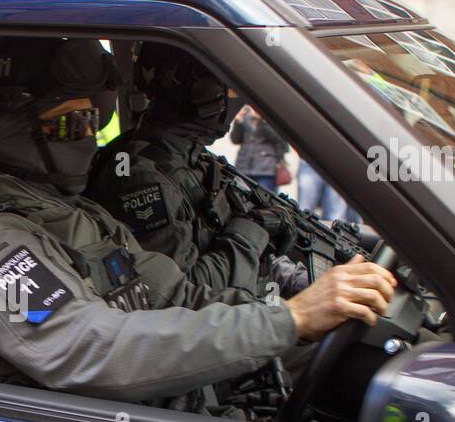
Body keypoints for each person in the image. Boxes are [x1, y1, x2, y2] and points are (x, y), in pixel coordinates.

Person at [0, 35, 396, 406]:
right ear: (5, 127)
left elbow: (180, 296)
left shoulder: (77, 216)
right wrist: (289, 320)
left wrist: (306, 323)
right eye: (68, 125)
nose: (87, 139)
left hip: (175, 415)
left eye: (92, 121)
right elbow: (95, 350)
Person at [89, 41, 306, 297]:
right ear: (203, 94)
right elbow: (188, 293)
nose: (238, 102)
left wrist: (292, 278)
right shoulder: (141, 178)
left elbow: (226, 248)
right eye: (231, 90)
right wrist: (253, 228)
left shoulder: (193, 158)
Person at [230, 104, 289, 193]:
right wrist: (237, 122)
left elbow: (281, 141)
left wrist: (262, 122)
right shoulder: (245, 117)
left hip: (266, 169)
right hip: (244, 168)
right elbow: (235, 139)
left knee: (265, 200)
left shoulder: (271, 120)